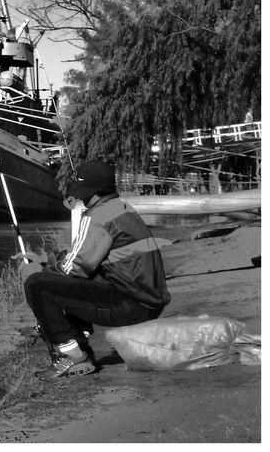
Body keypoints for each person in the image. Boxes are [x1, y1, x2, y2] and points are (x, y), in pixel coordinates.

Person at [17, 160, 170, 379]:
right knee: (65, 278)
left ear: (91, 190)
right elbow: (85, 260)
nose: (78, 196)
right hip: (149, 304)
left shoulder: (96, 217)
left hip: (130, 306)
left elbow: (72, 270)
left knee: (37, 285)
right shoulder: (122, 208)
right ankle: (80, 344)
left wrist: (41, 267)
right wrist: (47, 259)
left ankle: (73, 355)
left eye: (80, 189)